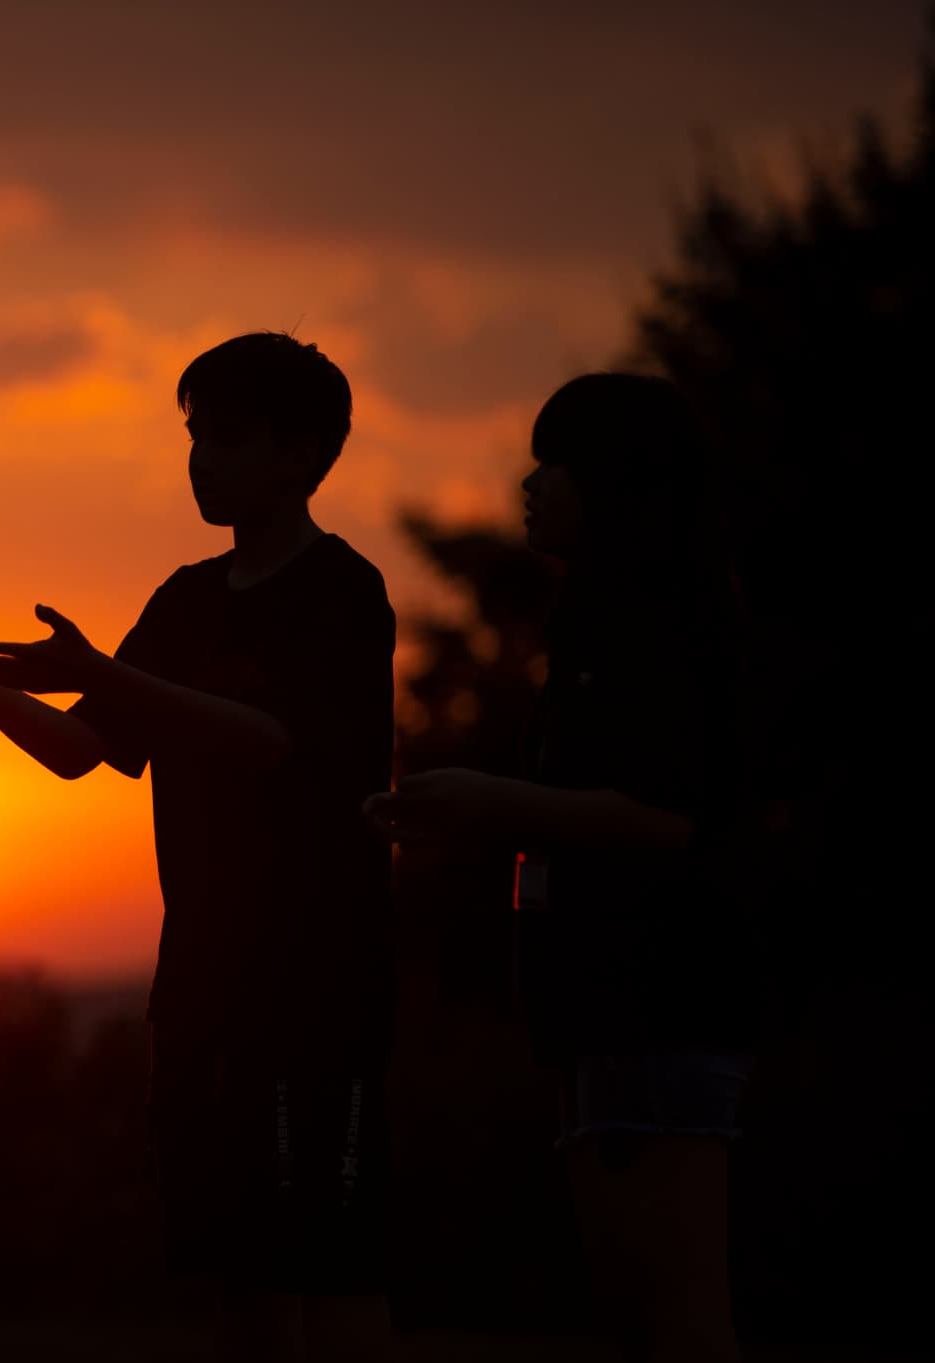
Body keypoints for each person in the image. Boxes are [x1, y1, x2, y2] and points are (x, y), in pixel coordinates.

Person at [0, 332, 396, 1361]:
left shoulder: (339, 592)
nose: (201, 460)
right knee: (231, 1262)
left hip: (315, 982)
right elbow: (81, 748)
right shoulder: (183, 601)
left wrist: (99, 669)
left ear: (305, 455)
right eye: (193, 437)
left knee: (329, 1259)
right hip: (200, 982)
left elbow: (269, 740)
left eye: (227, 438)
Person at [366, 373, 752, 1363]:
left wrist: (488, 805)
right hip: (594, 1010)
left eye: (554, 462)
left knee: (675, 1314)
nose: (528, 484)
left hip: (653, 999)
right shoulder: (592, 624)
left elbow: (667, 819)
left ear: (615, 484)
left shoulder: (649, 630)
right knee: (631, 1314)